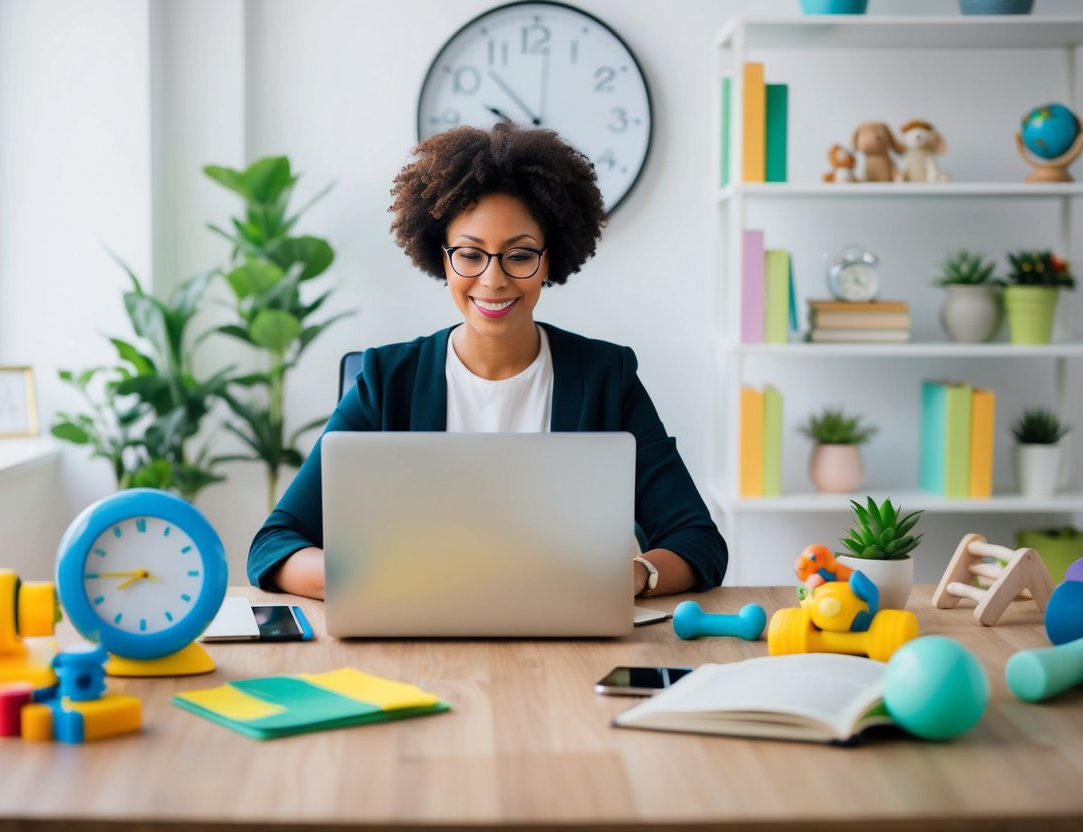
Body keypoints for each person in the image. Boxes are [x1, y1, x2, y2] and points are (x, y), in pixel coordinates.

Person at [248, 122, 727, 600]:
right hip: (414, 635)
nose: (493, 279)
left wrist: (636, 575)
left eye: (518, 255)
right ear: (442, 257)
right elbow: (274, 546)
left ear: (548, 259)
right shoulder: (384, 381)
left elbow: (698, 542)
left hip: (565, 643)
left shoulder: (607, 377)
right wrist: (376, 581)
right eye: (471, 254)